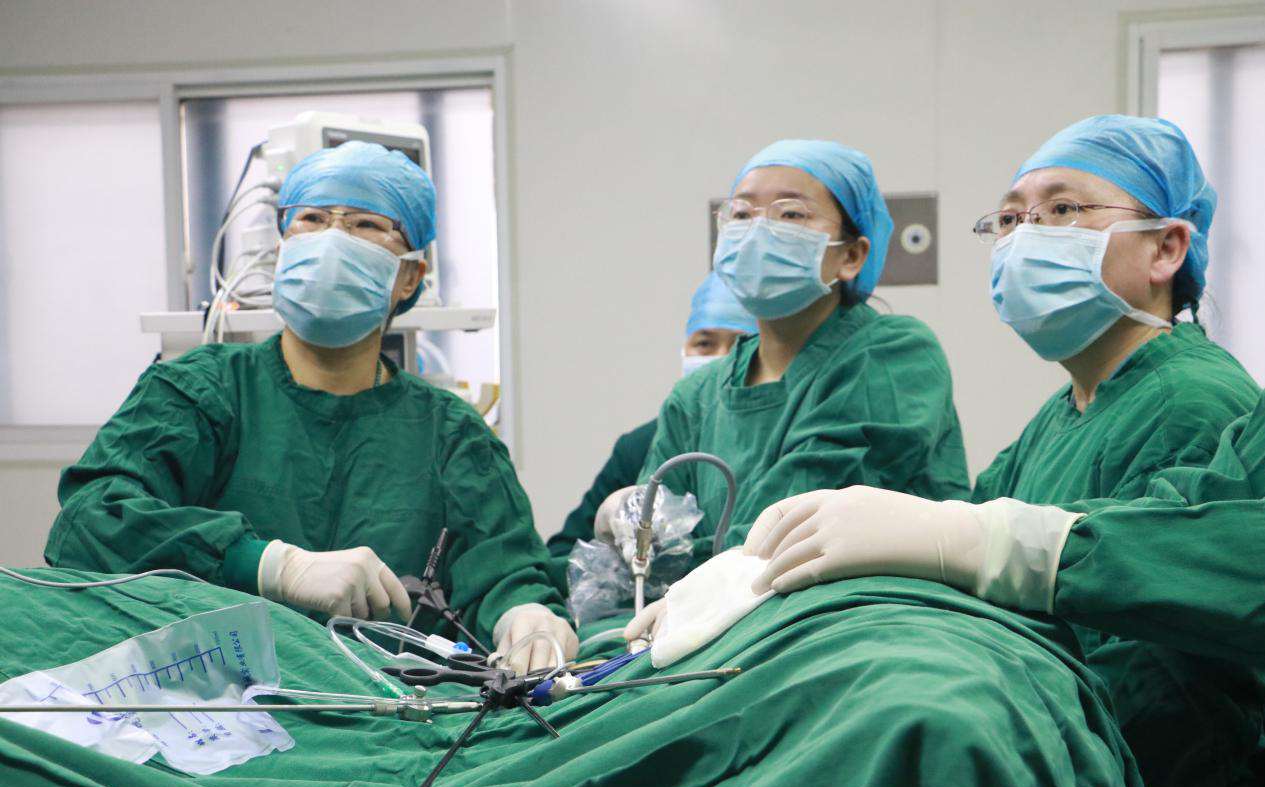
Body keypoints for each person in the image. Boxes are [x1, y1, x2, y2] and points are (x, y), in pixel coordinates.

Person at [739, 116, 1264, 787]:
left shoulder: (1188, 400)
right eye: (1010, 219)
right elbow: (970, 564)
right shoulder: (1067, 410)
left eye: (1062, 209)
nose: (1024, 236)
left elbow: (1159, 680)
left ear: (1166, 247)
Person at [45, 141, 575, 675]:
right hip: (209, 695)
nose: (332, 240)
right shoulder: (199, 391)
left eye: (366, 224)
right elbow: (91, 522)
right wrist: (266, 564)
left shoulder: (450, 434)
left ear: (410, 277)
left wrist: (525, 616)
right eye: (313, 219)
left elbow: (504, 567)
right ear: (283, 249)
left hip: (388, 706)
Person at [599, 139, 969, 580]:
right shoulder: (696, 396)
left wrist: (681, 570)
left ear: (851, 255)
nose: (758, 230)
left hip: (860, 610)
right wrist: (626, 527)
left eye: (791, 214)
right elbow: (651, 554)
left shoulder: (893, 355)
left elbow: (788, 533)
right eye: (742, 214)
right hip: (714, 614)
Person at [545, 271, 757, 561]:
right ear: (684, 349)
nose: (721, 358)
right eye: (704, 344)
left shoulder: (769, 442)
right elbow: (562, 553)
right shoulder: (639, 446)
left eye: (740, 345)